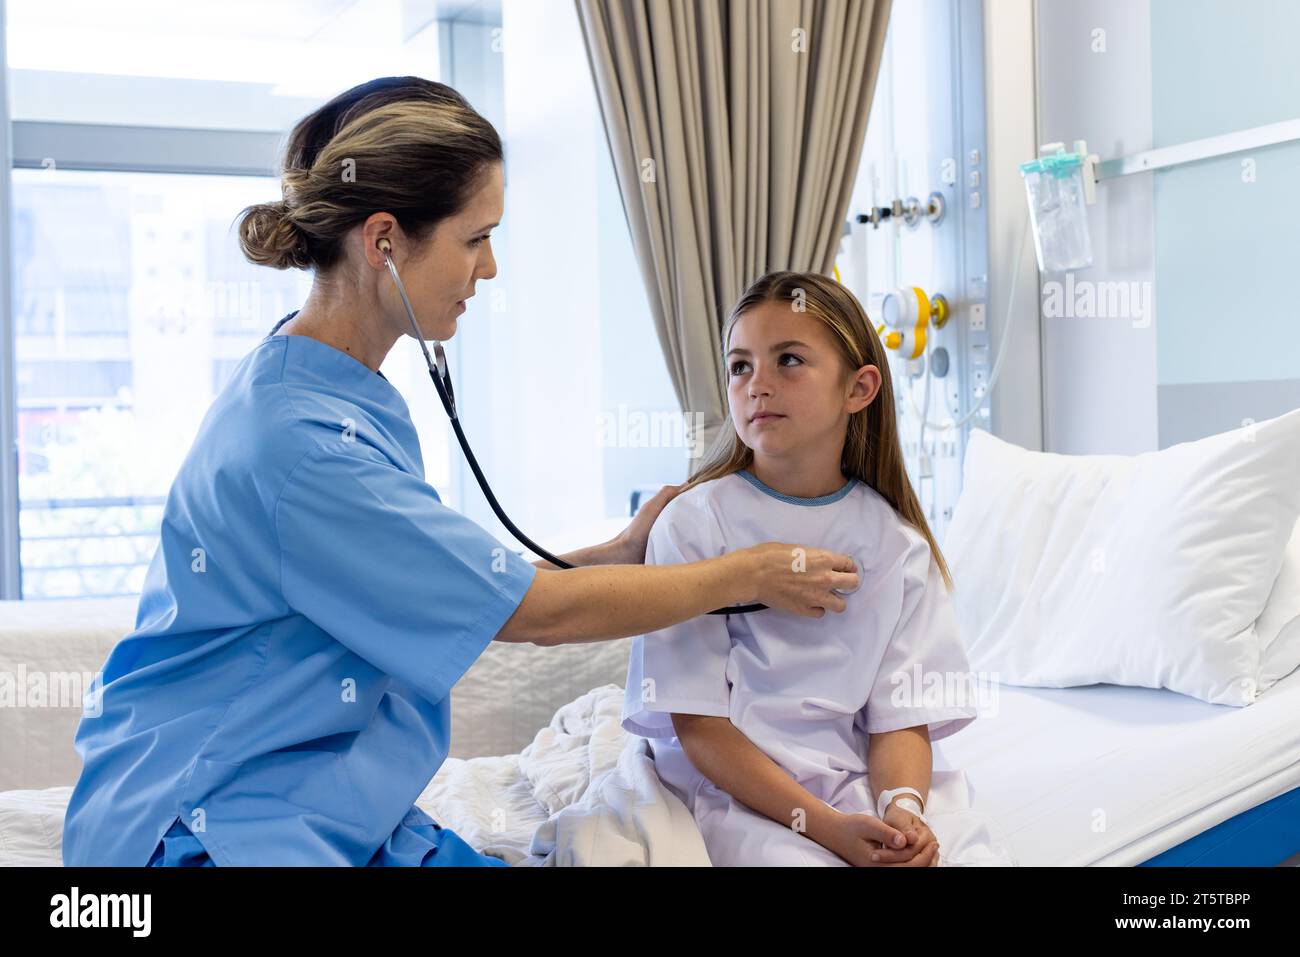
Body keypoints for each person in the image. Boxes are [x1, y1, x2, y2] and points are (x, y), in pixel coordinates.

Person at [60, 78, 859, 867]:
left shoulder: (335, 390)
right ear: (384, 243)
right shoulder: (303, 447)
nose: (490, 269)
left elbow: (458, 585)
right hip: (207, 823)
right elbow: (534, 613)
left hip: (326, 801)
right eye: (475, 238)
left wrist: (618, 552)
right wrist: (747, 572)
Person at [623, 271, 1013, 867]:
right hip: (737, 788)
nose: (757, 385)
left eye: (789, 361)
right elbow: (698, 727)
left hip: (858, 780)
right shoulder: (693, 525)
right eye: (740, 366)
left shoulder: (894, 544)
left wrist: (901, 811)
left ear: (858, 389)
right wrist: (828, 829)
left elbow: (900, 714)